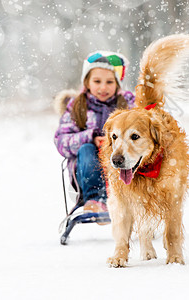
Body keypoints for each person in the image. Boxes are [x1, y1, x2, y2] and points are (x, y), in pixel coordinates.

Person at [54, 51, 135, 218]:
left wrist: (114, 141)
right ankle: (97, 200)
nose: (103, 87)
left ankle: (129, 198)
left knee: (126, 149)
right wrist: (89, 137)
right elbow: (61, 141)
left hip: (121, 168)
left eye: (109, 82)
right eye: (97, 81)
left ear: (118, 84)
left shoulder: (128, 104)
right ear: (87, 82)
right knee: (86, 149)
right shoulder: (77, 106)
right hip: (87, 170)